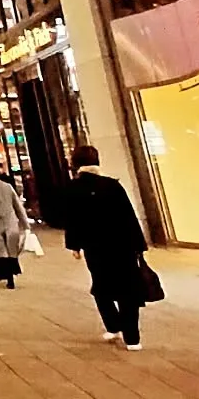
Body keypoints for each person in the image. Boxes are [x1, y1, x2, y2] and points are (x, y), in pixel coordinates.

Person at [64, 144, 149, 350]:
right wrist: (139, 245)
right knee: (127, 289)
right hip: (123, 246)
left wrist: (74, 245)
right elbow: (129, 217)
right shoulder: (112, 186)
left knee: (101, 286)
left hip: (95, 247)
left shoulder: (74, 189)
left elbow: (73, 220)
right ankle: (132, 337)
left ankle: (112, 325)